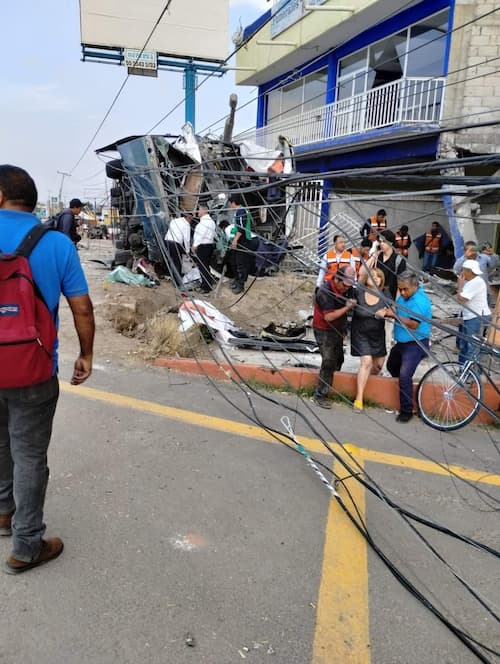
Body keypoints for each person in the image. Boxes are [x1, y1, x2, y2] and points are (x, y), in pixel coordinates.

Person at [0, 164, 95, 573]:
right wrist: (86, 354)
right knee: (30, 455)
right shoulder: (57, 243)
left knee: (1, 446)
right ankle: (26, 545)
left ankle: (4, 514)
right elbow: (82, 308)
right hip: (33, 369)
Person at [382, 271, 431, 423]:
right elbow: (398, 308)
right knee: (391, 366)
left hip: (416, 343)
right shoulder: (404, 296)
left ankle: (406, 410)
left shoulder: (420, 301)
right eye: (400, 289)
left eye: (405, 289)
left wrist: (392, 315)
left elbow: (413, 324)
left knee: (404, 375)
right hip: (402, 342)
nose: (402, 292)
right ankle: (404, 390)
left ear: (415, 286)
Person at [312, 266, 356, 409]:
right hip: (323, 329)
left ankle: (330, 382)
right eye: (344, 285)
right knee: (328, 360)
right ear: (337, 279)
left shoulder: (348, 289)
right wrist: (347, 308)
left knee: (338, 358)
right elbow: (329, 316)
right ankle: (320, 394)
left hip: (338, 328)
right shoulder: (325, 291)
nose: (346, 289)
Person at [350, 268, 388, 412]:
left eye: (378, 276)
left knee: (378, 365)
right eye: (372, 276)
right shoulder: (359, 291)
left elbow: (394, 310)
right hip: (360, 333)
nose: (375, 278)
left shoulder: (385, 293)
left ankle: (363, 378)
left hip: (377, 335)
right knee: (366, 362)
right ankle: (359, 399)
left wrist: (386, 311)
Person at [456, 259, 491, 365]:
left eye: (463, 270)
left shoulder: (477, 282)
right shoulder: (472, 282)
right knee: (464, 344)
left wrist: (459, 286)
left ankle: (471, 375)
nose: (462, 273)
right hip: (469, 316)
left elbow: (462, 298)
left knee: (472, 346)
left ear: (469, 271)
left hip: (476, 317)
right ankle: (463, 369)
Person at [228, 194, 259, 294]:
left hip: (243, 241)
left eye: (230, 204)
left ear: (233, 203)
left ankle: (241, 285)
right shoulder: (239, 211)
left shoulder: (241, 211)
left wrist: (235, 240)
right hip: (241, 240)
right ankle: (237, 281)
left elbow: (241, 228)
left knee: (241, 263)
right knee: (236, 262)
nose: (230, 206)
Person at [454, 240, 499, 306]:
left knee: (484, 312)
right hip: (468, 293)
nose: (473, 252)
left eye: (474, 249)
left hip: (484, 292)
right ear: (465, 251)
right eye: (470, 250)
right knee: (471, 312)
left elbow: (495, 264)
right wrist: (465, 257)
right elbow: (456, 270)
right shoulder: (462, 260)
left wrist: (492, 254)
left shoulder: (484, 257)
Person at [365, 229, 406, 299]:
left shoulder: (398, 260)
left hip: (389, 297)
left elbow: (400, 284)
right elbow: (364, 271)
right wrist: (374, 255)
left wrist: (396, 303)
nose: (381, 244)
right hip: (375, 295)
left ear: (391, 243)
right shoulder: (377, 256)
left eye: (384, 241)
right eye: (380, 241)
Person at [164, 211, 193, 287]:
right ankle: (177, 282)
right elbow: (187, 239)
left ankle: (169, 276)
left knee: (170, 260)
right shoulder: (186, 224)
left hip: (167, 241)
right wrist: (187, 251)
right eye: (191, 220)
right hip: (175, 243)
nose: (191, 221)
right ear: (188, 218)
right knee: (177, 262)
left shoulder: (174, 220)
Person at [192, 202, 216, 293]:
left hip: (203, 246)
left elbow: (200, 235)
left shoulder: (204, 222)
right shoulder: (211, 222)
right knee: (206, 266)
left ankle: (206, 287)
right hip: (209, 245)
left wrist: (194, 245)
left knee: (202, 267)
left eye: (199, 210)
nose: (198, 212)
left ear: (204, 210)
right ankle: (207, 283)